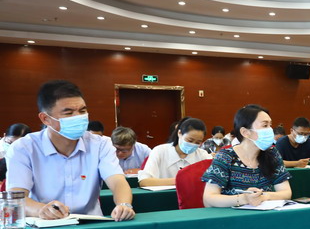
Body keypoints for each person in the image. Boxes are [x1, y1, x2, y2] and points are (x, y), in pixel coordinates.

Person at [7, 80, 134, 220]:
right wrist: (41, 209)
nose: (78, 117)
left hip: (91, 223)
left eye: (82, 111)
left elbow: (117, 181)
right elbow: (16, 197)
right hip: (45, 224)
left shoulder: (101, 144)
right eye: (68, 113)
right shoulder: (24, 148)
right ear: (45, 119)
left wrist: (124, 204)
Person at [202, 104, 292, 207]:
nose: (270, 130)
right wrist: (244, 198)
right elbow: (209, 199)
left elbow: (286, 192)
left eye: (270, 125)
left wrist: (263, 196)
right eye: (265, 125)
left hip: (263, 213)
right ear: (245, 132)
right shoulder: (225, 157)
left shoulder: (272, 153)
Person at [138, 117, 210, 186]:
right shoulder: (160, 151)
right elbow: (144, 181)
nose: (193, 144)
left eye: (198, 142)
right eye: (190, 140)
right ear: (179, 133)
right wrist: (180, 180)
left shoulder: (202, 155)